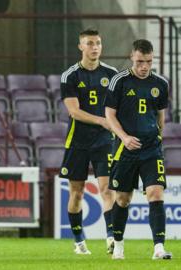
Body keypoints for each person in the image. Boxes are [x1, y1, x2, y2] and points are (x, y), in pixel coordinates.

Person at [104, 39, 172, 260]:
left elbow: (161, 117)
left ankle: (159, 248)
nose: (145, 66)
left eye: (149, 62)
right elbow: (109, 114)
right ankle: (119, 244)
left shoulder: (160, 83)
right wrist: (124, 138)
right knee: (123, 199)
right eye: (141, 61)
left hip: (151, 149)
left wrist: (156, 136)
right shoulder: (119, 81)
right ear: (132, 57)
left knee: (155, 192)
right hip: (125, 150)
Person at [58, 29, 117, 255]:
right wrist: (102, 120)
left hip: (104, 140)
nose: (95, 47)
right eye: (90, 43)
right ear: (80, 47)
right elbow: (74, 112)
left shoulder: (112, 74)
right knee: (77, 192)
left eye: (98, 43)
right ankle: (78, 239)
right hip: (78, 141)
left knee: (107, 189)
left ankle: (111, 237)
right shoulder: (70, 76)